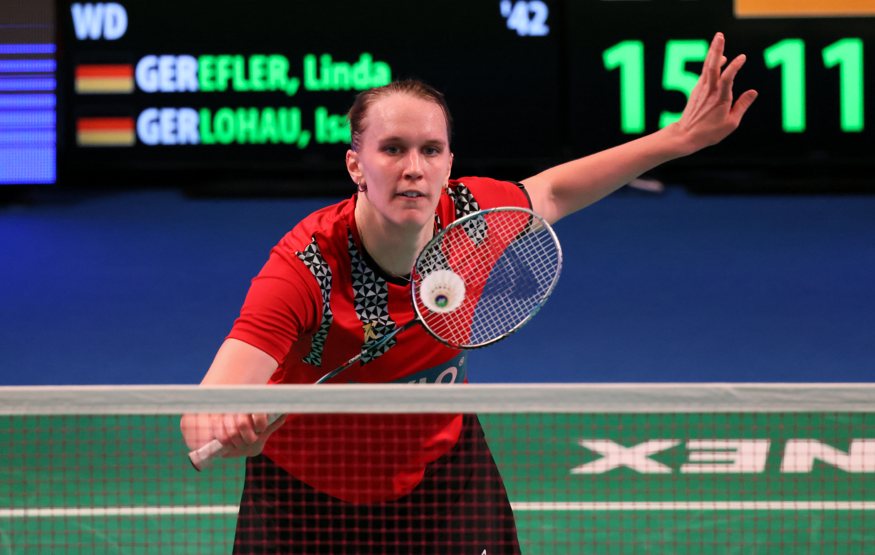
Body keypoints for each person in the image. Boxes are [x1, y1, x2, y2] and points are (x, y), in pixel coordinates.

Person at [181, 32, 757, 554]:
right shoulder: (307, 267)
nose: (414, 168)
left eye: (431, 150)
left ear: (449, 162)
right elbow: (203, 411)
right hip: (308, 502)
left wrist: (676, 139)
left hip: (444, 479)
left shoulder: (471, 218)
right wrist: (231, 430)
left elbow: (552, 191)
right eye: (393, 149)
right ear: (356, 164)